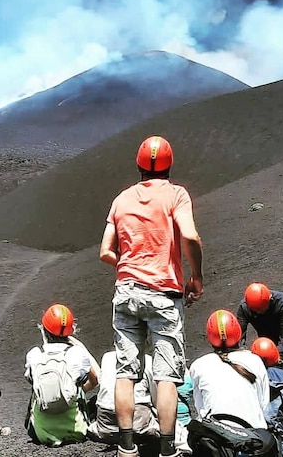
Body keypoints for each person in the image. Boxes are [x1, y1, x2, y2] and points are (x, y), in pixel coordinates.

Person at [99, 135, 204, 457]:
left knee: (125, 372)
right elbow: (189, 235)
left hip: (127, 292)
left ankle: (127, 447)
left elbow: (105, 251)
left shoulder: (121, 199)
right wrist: (196, 276)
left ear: (139, 165)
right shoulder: (176, 195)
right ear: (170, 164)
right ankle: (168, 448)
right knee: (166, 374)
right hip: (163, 294)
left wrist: (129, 265)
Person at [24, 303, 99, 447]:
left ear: (43, 329)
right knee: (95, 400)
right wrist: (74, 391)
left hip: (40, 433)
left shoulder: (34, 354)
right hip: (77, 431)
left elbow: (30, 380)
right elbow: (96, 379)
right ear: (71, 331)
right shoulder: (78, 354)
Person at [88, 350, 191, 455]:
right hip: (139, 427)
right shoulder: (148, 361)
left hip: (106, 428)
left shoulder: (107, 357)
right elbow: (156, 400)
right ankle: (180, 448)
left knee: (92, 423)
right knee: (173, 425)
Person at [189, 309, 269, 429]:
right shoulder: (254, 360)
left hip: (217, 438)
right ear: (237, 332)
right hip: (254, 437)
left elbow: (200, 407)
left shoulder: (198, 365)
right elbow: (263, 404)